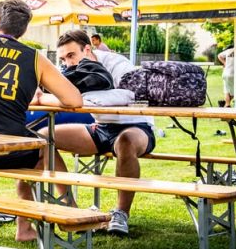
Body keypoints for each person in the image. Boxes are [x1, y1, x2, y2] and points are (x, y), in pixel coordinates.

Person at [0, 0, 83, 241]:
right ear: (24, 29)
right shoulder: (34, 58)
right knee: (44, 149)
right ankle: (50, 215)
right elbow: (74, 100)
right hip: (9, 151)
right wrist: (39, 97)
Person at [37, 30, 157, 237]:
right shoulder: (69, 71)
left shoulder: (117, 64)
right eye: (63, 59)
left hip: (137, 127)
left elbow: (132, 95)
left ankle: (121, 214)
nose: (67, 63)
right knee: (44, 136)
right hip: (101, 128)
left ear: (87, 49)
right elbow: (54, 96)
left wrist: (80, 98)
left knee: (125, 141)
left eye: (71, 55)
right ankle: (71, 209)